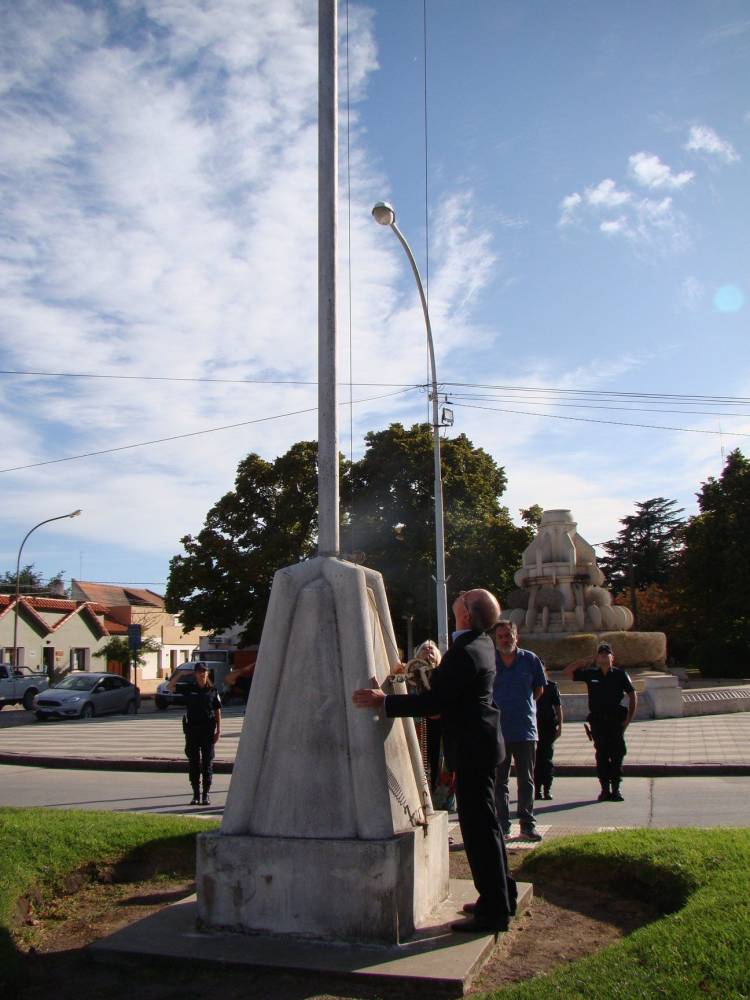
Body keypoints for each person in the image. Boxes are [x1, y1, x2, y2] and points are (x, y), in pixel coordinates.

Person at [353, 589, 515, 934]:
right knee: (487, 827)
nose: (460, 594)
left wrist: (385, 702)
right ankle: (500, 896)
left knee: (479, 831)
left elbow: (435, 702)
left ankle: (494, 911)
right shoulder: (480, 644)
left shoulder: (466, 651)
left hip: (472, 749)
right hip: (481, 746)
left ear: (467, 613)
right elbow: (447, 690)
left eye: (466, 596)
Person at [562, 642, 637, 801]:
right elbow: (567, 672)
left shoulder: (620, 674)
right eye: (600, 654)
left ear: (612, 658)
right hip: (598, 722)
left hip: (615, 721)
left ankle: (616, 790)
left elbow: (632, 694)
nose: (603, 655)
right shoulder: (591, 673)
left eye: (606, 653)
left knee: (617, 755)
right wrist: (585, 661)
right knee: (601, 756)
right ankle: (604, 790)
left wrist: (629, 719)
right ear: (597, 658)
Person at [492, 620, 546, 841]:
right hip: (498, 731)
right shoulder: (490, 661)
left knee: (526, 780)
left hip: (525, 729)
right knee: (499, 782)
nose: (505, 640)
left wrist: (524, 706)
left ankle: (527, 825)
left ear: (516, 636)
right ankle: (502, 825)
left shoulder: (530, 660)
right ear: (496, 640)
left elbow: (539, 690)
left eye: (508, 635)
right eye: (501, 636)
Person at [182, 662, 222, 805]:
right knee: (193, 763)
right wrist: (181, 674)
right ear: (195, 673)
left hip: (207, 730)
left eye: (204, 671)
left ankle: (206, 794)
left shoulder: (212, 690)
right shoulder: (190, 689)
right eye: (199, 671)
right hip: (192, 730)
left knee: (207, 763)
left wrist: (219, 730)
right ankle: (196, 794)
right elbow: (170, 687)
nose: (201, 674)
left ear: (207, 673)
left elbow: (217, 711)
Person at [534, 668, 562, 800]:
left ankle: (547, 788)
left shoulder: (551, 686)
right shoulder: (529, 685)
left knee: (547, 759)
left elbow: (558, 707)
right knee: (535, 760)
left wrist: (560, 726)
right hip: (533, 726)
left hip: (548, 727)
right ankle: (537, 790)